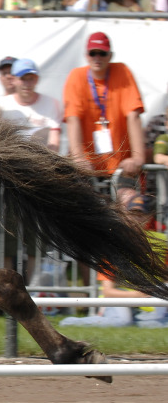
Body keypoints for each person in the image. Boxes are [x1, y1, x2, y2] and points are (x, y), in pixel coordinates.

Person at [60, 192, 167, 328]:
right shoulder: (114, 244)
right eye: (132, 213)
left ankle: (142, 321)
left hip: (147, 302)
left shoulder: (162, 242)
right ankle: (72, 323)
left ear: (149, 217)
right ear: (125, 215)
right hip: (119, 300)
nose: (136, 219)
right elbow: (108, 291)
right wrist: (136, 296)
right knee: (122, 321)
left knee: (154, 321)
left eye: (140, 214)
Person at [64, 31, 144, 183]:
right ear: (86, 55)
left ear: (110, 55)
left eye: (102, 53)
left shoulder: (122, 71)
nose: (97, 58)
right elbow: (72, 119)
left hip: (122, 168)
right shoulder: (76, 76)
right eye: (93, 53)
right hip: (88, 169)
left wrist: (137, 158)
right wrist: (79, 158)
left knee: (131, 202)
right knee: (79, 205)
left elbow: (133, 115)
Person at [0, 58, 62, 152]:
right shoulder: (0, 105)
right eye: (23, 78)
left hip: (43, 162)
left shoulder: (52, 103)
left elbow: (54, 142)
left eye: (31, 78)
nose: (27, 84)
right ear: (14, 80)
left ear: (37, 79)